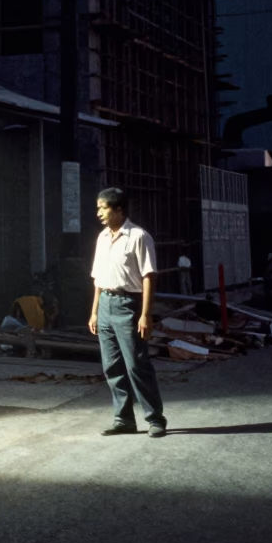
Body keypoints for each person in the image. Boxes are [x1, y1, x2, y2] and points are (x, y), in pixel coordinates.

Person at [88, 187, 168, 438]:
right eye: (98, 207)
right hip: (105, 306)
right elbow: (98, 279)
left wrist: (146, 314)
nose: (99, 212)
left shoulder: (139, 237)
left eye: (104, 208)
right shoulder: (102, 238)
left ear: (119, 209)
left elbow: (148, 277)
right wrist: (94, 312)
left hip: (128, 306)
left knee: (136, 365)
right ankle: (123, 419)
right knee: (111, 366)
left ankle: (155, 419)